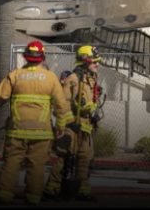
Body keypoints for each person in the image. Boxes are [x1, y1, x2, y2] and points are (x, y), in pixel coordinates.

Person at [0, 41, 72, 205]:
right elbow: (61, 105)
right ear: (42, 58)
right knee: (37, 166)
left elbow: (1, 94)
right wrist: (60, 126)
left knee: (11, 162)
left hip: (17, 130)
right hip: (42, 133)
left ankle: (4, 195)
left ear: (25, 57)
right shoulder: (51, 77)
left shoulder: (15, 75)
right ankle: (33, 197)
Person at [44, 45, 103, 201]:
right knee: (64, 157)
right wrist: (68, 124)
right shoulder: (74, 79)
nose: (97, 64)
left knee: (85, 158)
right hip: (73, 126)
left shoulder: (91, 78)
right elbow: (63, 103)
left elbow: (89, 102)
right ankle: (52, 189)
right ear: (85, 60)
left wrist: (93, 113)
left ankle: (82, 191)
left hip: (86, 125)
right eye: (94, 61)